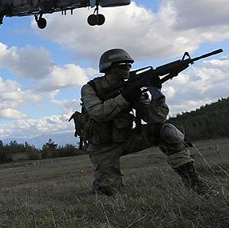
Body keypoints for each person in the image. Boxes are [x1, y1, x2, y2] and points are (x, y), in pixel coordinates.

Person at [80, 48, 211, 196]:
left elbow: (154, 118)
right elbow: (98, 113)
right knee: (108, 192)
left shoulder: (132, 87)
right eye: (124, 65)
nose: (128, 69)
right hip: (102, 147)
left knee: (167, 131)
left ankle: (194, 184)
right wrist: (125, 98)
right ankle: (103, 186)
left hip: (127, 138)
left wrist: (157, 95)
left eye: (129, 65)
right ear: (110, 68)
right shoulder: (90, 88)